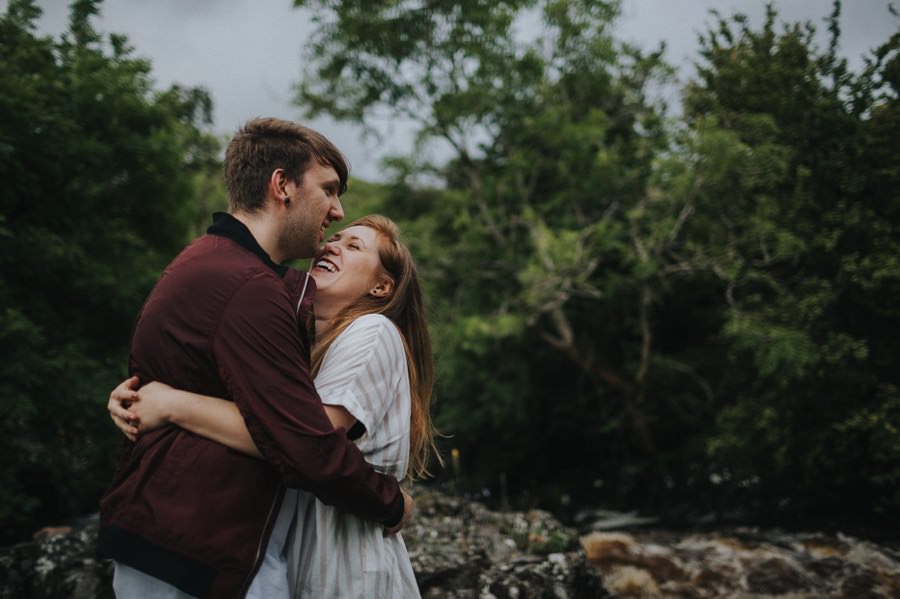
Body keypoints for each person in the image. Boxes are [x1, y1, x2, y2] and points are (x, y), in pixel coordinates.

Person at [97, 118, 413, 599]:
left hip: (188, 541)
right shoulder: (248, 287)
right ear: (282, 185)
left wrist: (164, 399)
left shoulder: (212, 264)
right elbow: (306, 445)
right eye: (328, 191)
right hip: (194, 550)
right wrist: (394, 506)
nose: (336, 210)